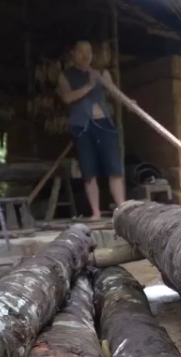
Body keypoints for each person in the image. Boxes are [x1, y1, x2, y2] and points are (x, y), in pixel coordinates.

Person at [57, 40, 128, 221]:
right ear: (73, 54)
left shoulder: (102, 73)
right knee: (89, 172)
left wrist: (128, 102)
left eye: (88, 52)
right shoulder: (65, 76)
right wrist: (89, 85)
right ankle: (96, 213)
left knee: (114, 168)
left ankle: (122, 208)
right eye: (81, 52)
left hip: (104, 124)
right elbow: (67, 97)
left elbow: (114, 92)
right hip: (82, 127)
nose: (85, 56)